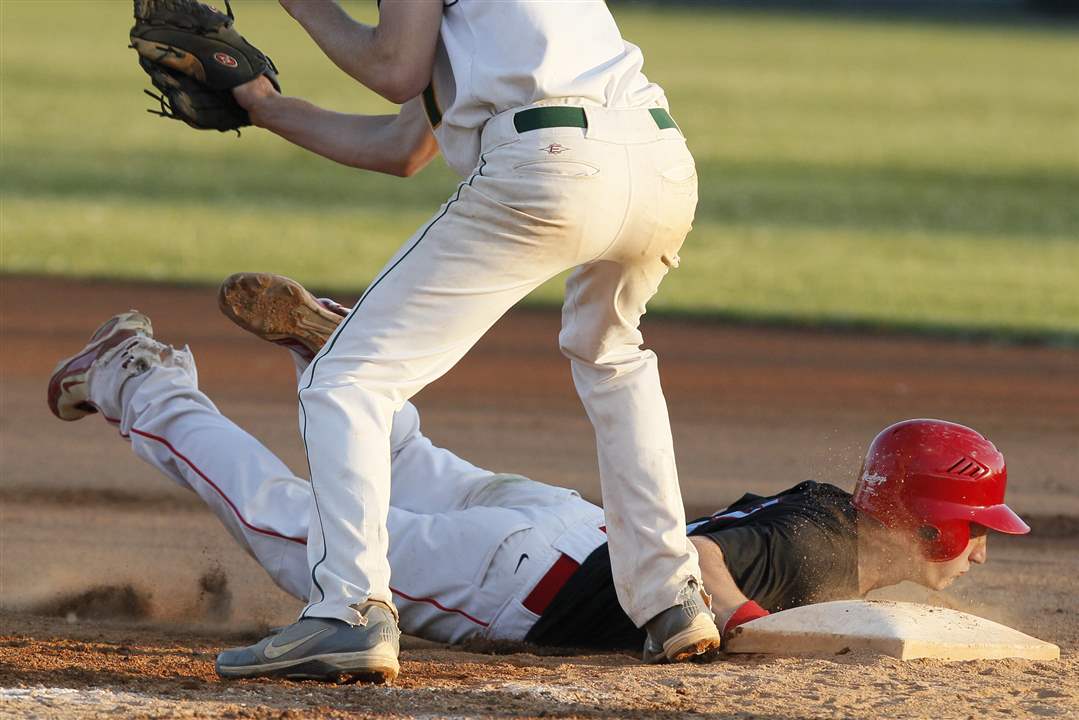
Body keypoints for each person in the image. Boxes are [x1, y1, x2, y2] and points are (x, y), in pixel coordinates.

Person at [47, 273, 1032, 680]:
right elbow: (688, 552)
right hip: (529, 579)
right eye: (976, 525)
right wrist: (738, 626)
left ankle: (344, 362)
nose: (984, 546)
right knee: (292, 531)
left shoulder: (828, 508)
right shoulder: (822, 565)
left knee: (396, 461)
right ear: (933, 524)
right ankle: (140, 382)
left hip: (556, 527)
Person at [217, 0, 713, 679]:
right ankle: (670, 599)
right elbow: (400, 147)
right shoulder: (499, 30)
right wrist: (262, 105)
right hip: (659, 164)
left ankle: (348, 611)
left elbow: (393, 69)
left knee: (348, 379)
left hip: (552, 164)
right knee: (611, 355)